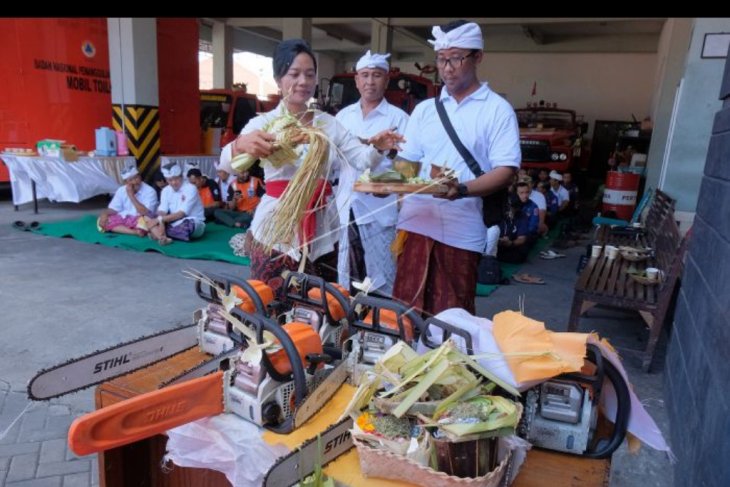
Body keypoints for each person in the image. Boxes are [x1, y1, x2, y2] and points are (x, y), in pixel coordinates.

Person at [217, 39, 402, 293]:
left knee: (321, 309)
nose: (303, 81)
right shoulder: (265, 122)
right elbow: (228, 164)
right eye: (294, 74)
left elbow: (361, 158)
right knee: (273, 304)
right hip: (275, 230)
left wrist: (378, 146)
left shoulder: (328, 124)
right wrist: (240, 145)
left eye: (309, 74)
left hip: (323, 231)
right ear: (278, 79)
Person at [391, 20, 520, 316]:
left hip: (462, 232)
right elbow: (406, 165)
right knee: (405, 314)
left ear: (478, 57)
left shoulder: (497, 109)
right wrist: (387, 176)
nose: (447, 68)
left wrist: (461, 189)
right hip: (415, 224)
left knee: (453, 319)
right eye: (441, 59)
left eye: (456, 58)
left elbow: (506, 170)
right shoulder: (425, 110)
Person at [335, 49, 409, 295]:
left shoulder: (399, 119)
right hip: (346, 206)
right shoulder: (343, 117)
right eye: (364, 75)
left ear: (386, 80)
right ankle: (348, 324)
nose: (370, 81)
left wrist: (386, 184)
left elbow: (409, 168)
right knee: (346, 274)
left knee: (383, 277)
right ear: (356, 80)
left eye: (376, 75)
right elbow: (333, 161)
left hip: (381, 210)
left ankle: (385, 327)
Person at [144, 163, 206, 245]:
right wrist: (160, 221)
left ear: (181, 177)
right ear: (166, 179)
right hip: (172, 222)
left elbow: (181, 214)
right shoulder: (165, 191)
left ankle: (156, 233)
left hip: (192, 222)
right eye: (170, 180)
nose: (173, 182)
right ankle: (163, 237)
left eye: (176, 179)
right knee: (147, 216)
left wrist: (159, 221)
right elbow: (162, 211)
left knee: (189, 227)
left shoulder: (191, 188)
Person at [98, 165, 158, 237]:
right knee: (102, 221)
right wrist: (104, 214)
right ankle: (134, 232)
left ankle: (126, 229)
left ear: (140, 177)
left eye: (136, 177)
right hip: (124, 217)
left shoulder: (150, 191)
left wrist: (131, 195)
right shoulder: (121, 190)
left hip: (141, 218)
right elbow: (114, 208)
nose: (135, 182)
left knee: (147, 223)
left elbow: (146, 213)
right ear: (125, 182)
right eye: (131, 180)